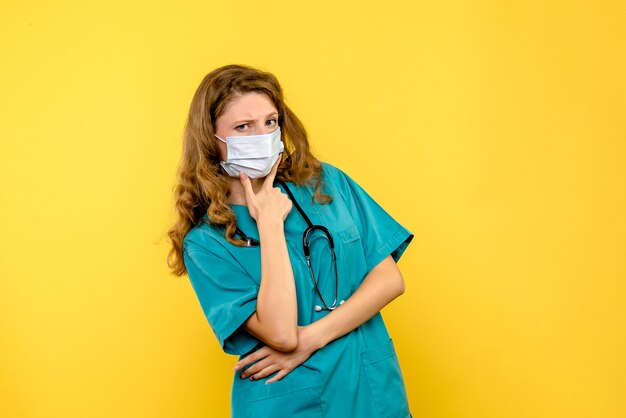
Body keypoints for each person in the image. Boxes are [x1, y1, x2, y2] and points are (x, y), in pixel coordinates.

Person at [167, 64, 414, 417]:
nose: (262, 135)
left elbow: (389, 280)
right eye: (243, 127)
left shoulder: (324, 184)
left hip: (371, 391)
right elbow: (281, 335)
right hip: (289, 402)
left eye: (270, 122)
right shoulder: (206, 243)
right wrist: (268, 224)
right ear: (211, 139)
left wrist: (311, 339)